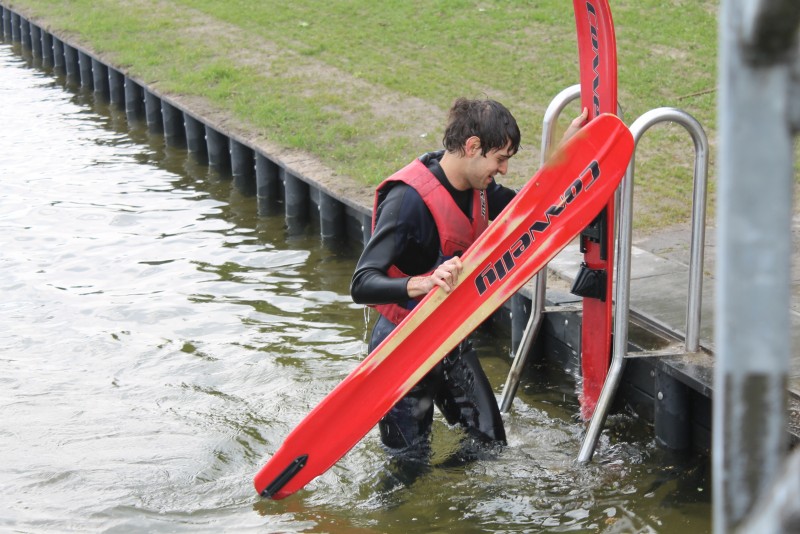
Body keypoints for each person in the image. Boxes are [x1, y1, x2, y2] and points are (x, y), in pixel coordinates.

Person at [351, 97, 586, 461]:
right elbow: (362, 283)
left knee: (490, 446)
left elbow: (531, 208)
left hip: (447, 341)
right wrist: (424, 282)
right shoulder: (408, 200)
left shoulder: (480, 188)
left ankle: (457, 508)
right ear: (473, 147)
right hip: (400, 350)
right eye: (500, 159)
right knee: (410, 467)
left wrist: (567, 154)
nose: (505, 170)